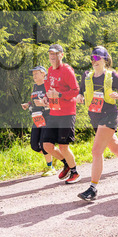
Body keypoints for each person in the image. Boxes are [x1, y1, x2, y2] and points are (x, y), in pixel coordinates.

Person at [76, 46, 118, 201]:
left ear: (105, 60)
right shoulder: (87, 76)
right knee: (116, 148)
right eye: (92, 58)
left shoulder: (112, 76)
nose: (94, 60)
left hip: (109, 116)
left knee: (96, 151)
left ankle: (93, 189)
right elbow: (80, 91)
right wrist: (79, 96)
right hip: (95, 117)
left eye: (98, 57)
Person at [42, 44, 81, 183]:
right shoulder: (50, 70)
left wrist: (60, 95)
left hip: (67, 113)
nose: (53, 57)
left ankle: (75, 172)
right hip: (54, 112)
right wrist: (46, 98)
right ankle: (67, 163)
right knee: (47, 145)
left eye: (56, 54)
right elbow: (49, 88)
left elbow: (76, 90)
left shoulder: (67, 70)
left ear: (61, 55)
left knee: (63, 146)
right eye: (51, 54)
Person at [20, 65, 57, 176]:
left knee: (43, 143)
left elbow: (55, 103)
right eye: (33, 74)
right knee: (34, 146)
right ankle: (55, 154)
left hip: (48, 117)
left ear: (43, 74)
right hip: (37, 118)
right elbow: (34, 101)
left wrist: (44, 104)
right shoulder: (35, 87)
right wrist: (28, 104)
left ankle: (50, 167)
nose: (34, 76)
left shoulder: (48, 86)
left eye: (36, 73)